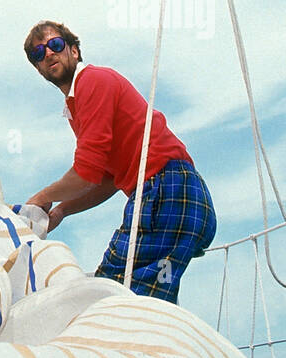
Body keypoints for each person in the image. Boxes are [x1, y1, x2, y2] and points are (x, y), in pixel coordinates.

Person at [23, 20, 216, 304]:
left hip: (166, 191)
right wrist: (63, 210)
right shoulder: (76, 105)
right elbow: (108, 178)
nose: (48, 54)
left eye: (54, 45)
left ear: (74, 51)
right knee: (142, 303)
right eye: (39, 54)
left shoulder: (92, 81)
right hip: (181, 199)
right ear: (38, 69)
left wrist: (42, 197)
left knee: (111, 296)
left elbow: (86, 172)